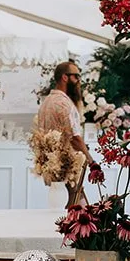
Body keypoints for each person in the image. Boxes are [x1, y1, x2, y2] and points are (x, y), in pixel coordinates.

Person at [36, 60, 91, 205]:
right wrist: (91, 160)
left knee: (65, 202)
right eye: (76, 76)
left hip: (53, 165)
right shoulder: (63, 103)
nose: (79, 81)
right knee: (76, 205)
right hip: (67, 165)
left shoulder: (47, 101)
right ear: (65, 77)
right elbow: (74, 138)